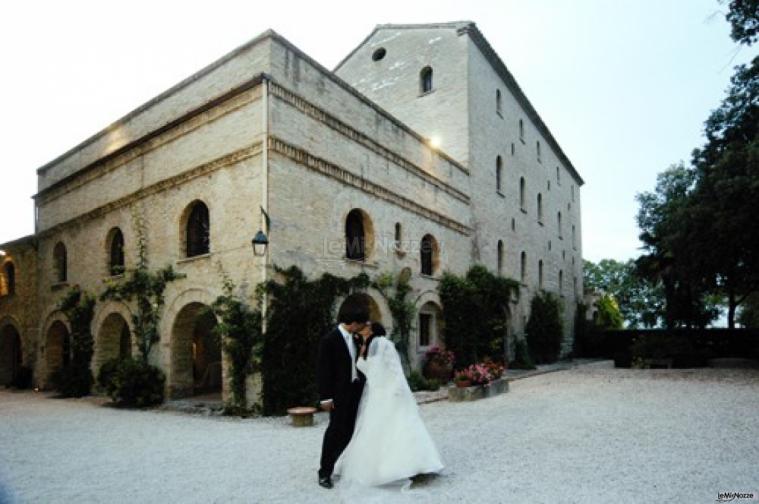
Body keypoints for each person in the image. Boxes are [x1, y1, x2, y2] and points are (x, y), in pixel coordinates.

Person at [334, 322, 444, 488]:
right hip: (375, 393)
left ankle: (413, 465)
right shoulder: (365, 345)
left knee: (399, 426)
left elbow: (395, 368)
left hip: (389, 391)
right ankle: (377, 468)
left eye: (364, 327)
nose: (360, 328)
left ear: (370, 329)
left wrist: (397, 390)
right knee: (373, 429)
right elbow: (365, 369)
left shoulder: (384, 343)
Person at [316, 306, 369, 489]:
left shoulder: (355, 338)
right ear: (353, 323)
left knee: (349, 431)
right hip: (338, 394)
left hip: (354, 391)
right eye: (361, 324)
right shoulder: (329, 340)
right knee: (334, 432)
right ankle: (324, 472)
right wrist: (325, 398)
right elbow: (323, 370)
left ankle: (336, 462)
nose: (362, 328)